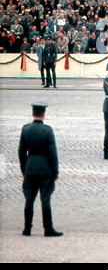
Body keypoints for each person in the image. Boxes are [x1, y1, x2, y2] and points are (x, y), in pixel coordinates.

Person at [18, 102, 63, 237]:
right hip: (45, 169)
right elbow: (53, 153)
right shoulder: (48, 131)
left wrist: (24, 168)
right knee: (45, 199)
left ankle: (27, 228)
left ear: (33, 113)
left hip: (30, 167)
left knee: (29, 199)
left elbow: (21, 151)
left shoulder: (25, 129)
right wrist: (55, 171)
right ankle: (48, 228)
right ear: (44, 114)